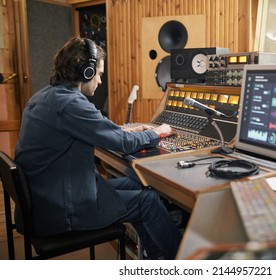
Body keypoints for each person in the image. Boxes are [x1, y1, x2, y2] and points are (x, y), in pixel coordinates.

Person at [14, 36, 182, 260]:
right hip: (62, 209)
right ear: (86, 72)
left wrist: (132, 131)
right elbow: (122, 143)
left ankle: (154, 260)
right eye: (100, 74)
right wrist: (156, 132)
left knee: (137, 181)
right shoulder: (71, 104)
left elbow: (98, 129)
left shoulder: (43, 96)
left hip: (46, 198)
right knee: (148, 202)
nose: (100, 81)